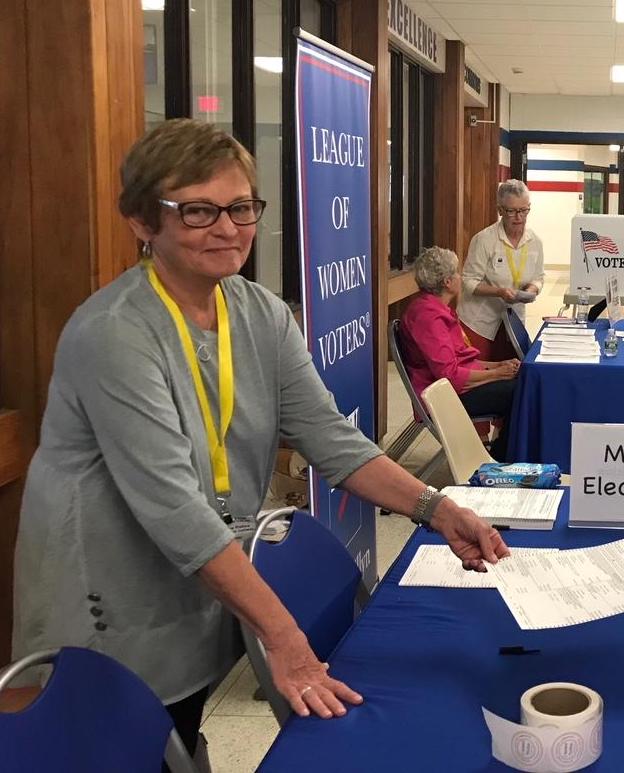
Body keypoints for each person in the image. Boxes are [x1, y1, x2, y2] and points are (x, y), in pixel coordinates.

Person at [11, 119, 509, 758]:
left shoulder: (258, 313)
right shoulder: (115, 334)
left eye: (242, 207)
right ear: (141, 222)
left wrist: (435, 508)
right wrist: (282, 633)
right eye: (197, 211)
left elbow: (334, 440)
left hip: (201, 583)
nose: (227, 227)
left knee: (184, 737)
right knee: (126, 747)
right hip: (110, 603)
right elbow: (176, 513)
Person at [398, 246, 521, 460]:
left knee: (523, 381)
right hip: (442, 397)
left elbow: (463, 359)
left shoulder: (434, 308)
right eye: (456, 272)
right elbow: (450, 375)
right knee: (520, 392)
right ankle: (502, 459)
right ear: (447, 282)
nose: (460, 276)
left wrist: (498, 365)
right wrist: (497, 374)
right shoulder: (429, 318)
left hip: (455, 388)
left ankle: (504, 453)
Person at [459, 179, 545, 361]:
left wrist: (531, 290)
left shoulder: (535, 242)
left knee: (514, 370)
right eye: (512, 211)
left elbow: (539, 277)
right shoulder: (484, 240)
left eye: (524, 210)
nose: (519, 217)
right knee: (479, 374)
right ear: (500, 210)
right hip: (479, 322)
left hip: (513, 322)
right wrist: (499, 292)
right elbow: (468, 282)